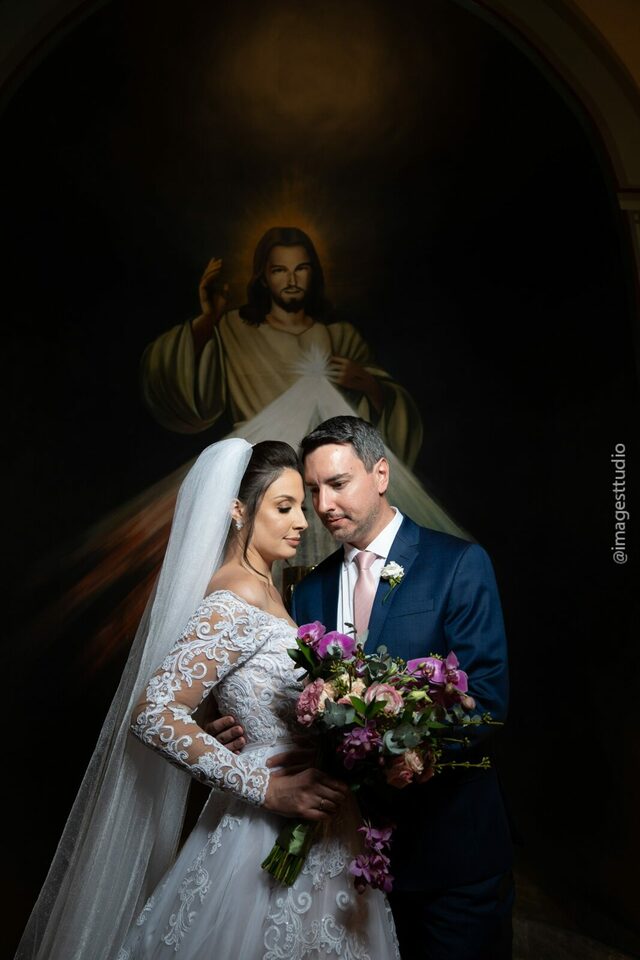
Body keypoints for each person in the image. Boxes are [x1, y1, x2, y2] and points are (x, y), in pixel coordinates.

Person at [15, 437, 400, 960]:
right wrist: (268, 789)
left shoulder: (270, 592)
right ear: (238, 510)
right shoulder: (235, 595)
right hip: (265, 826)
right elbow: (153, 713)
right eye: (283, 507)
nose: (303, 522)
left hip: (317, 820)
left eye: (301, 508)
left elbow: (240, 697)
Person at [216, 417, 514, 960]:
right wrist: (241, 722)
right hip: (345, 863)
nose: (323, 504)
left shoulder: (457, 565)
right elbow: (295, 699)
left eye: (338, 483)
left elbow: (487, 702)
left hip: (450, 859)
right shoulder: (308, 589)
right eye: (312, 490)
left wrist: (406, 752)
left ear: (380, 474)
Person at [141, 226, 424, 469]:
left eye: (301, 269)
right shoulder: (234, 329)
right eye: (279, 270)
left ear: (313, 274)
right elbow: (178, 389)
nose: (291, 281)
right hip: (258, 469)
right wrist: (207, 319)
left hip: (324, 474)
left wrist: (368, 384)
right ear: (263, 277)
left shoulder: (341, 336)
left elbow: (392, 419)